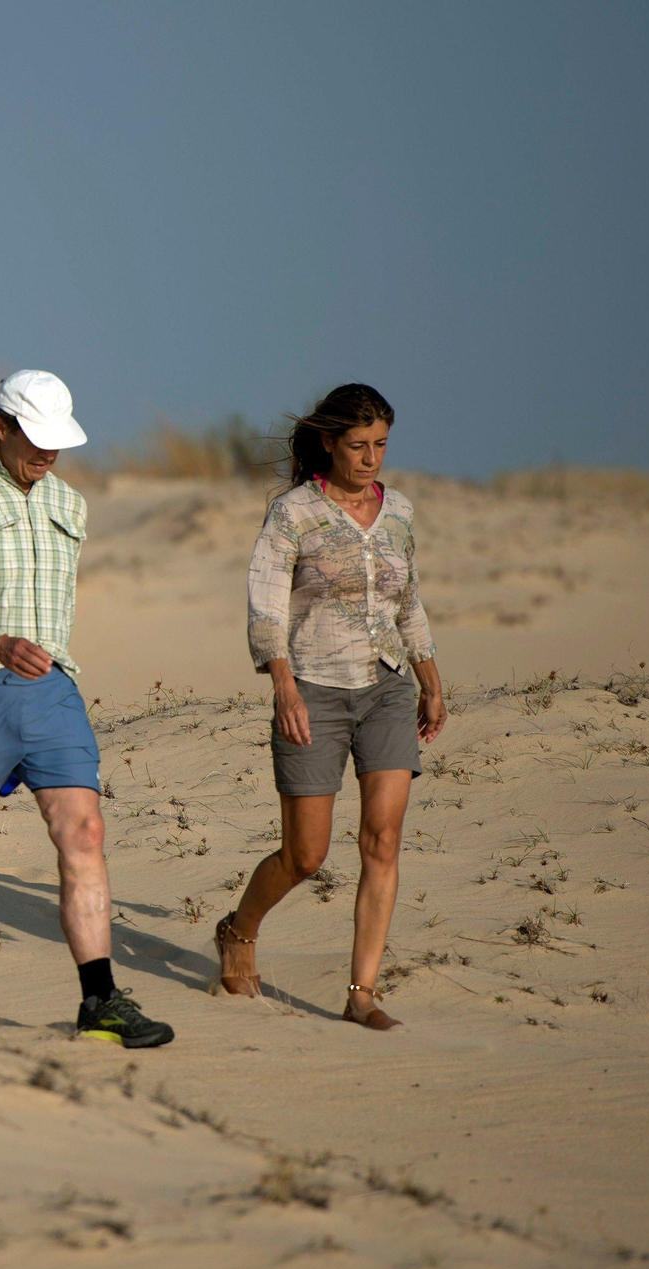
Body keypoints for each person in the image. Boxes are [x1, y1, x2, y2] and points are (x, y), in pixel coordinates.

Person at [0, 370, 174, 1047]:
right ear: (1, 427)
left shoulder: (71, 504)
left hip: (51, 685)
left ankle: (100, 998)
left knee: (84, 832)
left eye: (58, 442)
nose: (49, 454)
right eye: (36, 439)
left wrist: (34, 652)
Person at [217, 383, 447, 1029]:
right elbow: (265, 606)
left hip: (387, 687)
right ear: (328, 442)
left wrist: (430, 678)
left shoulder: (398, 510)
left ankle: (361, 994)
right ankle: (239, 930)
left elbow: (409, 602)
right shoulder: (294, 513)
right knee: (306, 855)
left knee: (383, 837)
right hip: (313, 687)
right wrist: (283, 686)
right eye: (358, 445)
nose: (371, 458)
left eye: (380, 445)